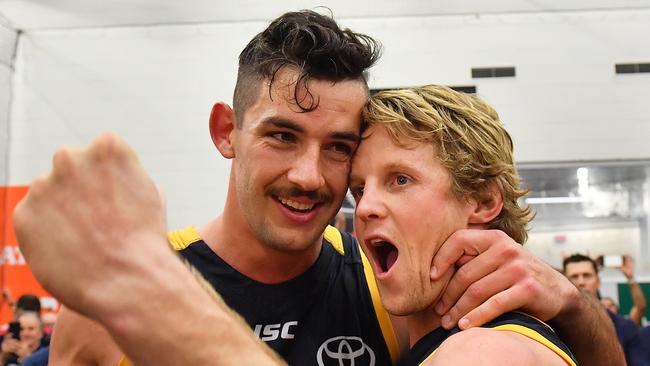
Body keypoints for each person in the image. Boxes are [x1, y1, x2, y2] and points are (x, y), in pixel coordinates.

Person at [14, 9, 623, 366]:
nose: (311, 177)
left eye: (337, 148)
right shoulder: (104, 308)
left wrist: (571, 302)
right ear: (227, 132)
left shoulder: (392, 285)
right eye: (282, 136)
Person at [350, 84, 577, 365]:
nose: (364, 207)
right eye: (359, 189)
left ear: (482, 201)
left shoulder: (481, 352)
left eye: (400, 180)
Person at [564, 253, 648, 366]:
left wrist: (630, 277)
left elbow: (640, 307)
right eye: (574, 276)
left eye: (587, 275)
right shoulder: (549, 327)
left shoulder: (624, 327)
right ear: (564, 281)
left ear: (598, 282)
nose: (581, 282)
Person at [598, 255, 647, 327]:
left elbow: (640, 306)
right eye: (602, 306)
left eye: (610, 305)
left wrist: (630, 277)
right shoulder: (593, 328)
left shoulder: (626, 325)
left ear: (617, 309)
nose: (607, 308)